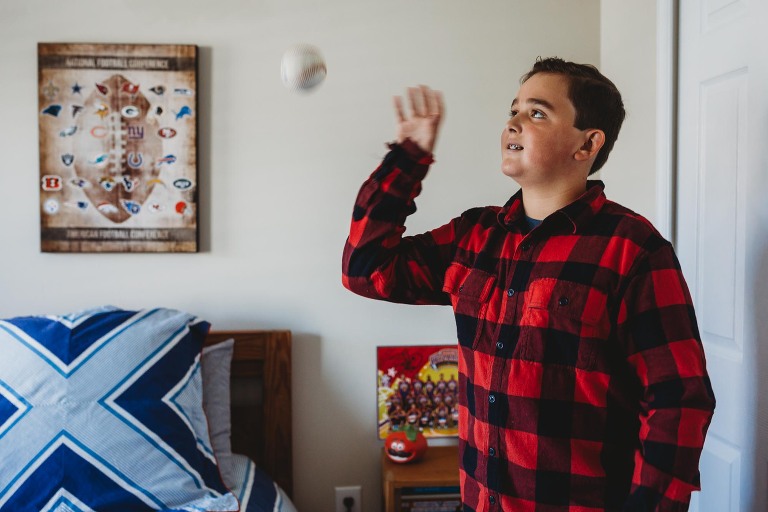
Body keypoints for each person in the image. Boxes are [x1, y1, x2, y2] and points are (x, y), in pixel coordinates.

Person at [342, 57, 716, 511]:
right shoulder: (473, 237)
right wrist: (408, 158)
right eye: (514, 110)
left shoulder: (633, 250)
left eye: (536, 112)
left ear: (586, 144)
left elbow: (679, 402)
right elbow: (365, 269)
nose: (514, 122)